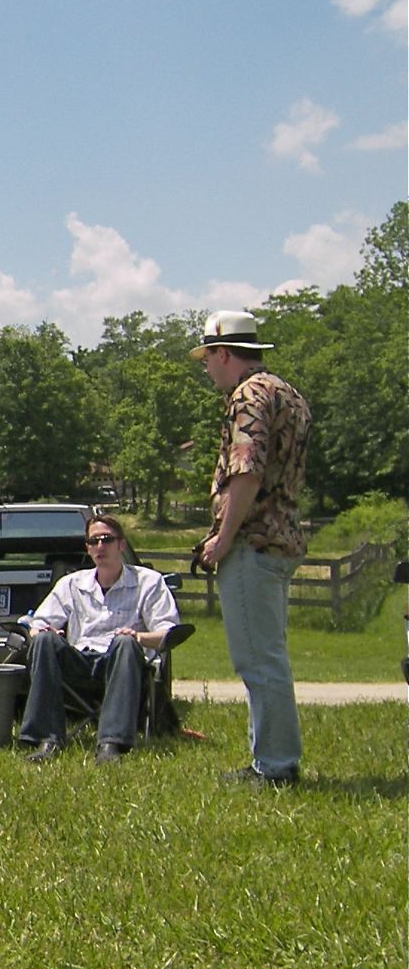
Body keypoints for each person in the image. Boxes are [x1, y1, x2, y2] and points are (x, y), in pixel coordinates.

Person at [192, 308, 311, 786]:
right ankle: (272, 759)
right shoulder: (287, 392)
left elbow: (246, 471)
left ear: (224, 353)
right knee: (269, 656)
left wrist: (222, 538)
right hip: (282, 538)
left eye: (207, 358)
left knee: (258, 662)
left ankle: (275, 766)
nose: (206, 368)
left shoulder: (247, 396)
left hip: (253, 542)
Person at [16, 512, 178, 764]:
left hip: (123, 664)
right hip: (80, 661)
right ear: (88, 548)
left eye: (107, 539)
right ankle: (46, 741)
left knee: (125, 642)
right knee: (44, 640)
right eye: (94, 541)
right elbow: (36, 625)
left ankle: (111, 744)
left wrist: (139, 637)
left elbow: (168, 633)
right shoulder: (71, 583)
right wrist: (46, 632)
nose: (100, 546)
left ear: (121, 545)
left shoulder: (148, 582)